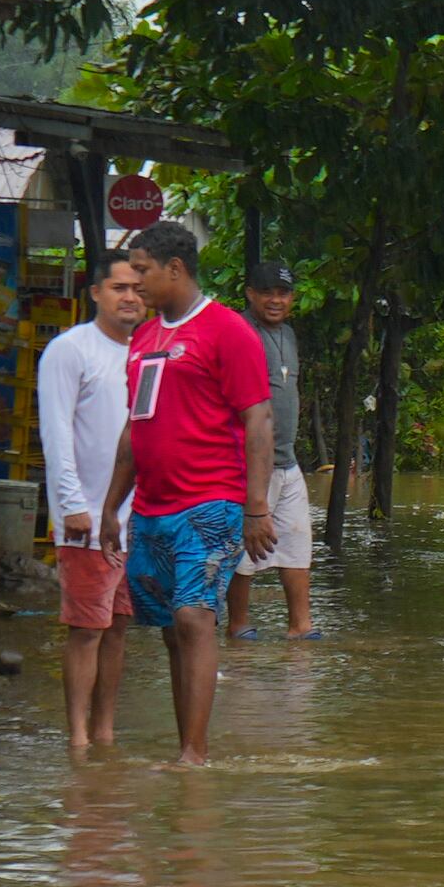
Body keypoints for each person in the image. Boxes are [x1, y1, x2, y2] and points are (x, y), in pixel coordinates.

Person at [87, 221, 279, 767]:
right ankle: (185, 747)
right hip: (151, 506)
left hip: (212, 499)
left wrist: (256, 506)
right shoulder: (146, 337)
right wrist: (110, 507)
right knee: (172, 629)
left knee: (194, 616)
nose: (134, 283)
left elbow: (258, 420)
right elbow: (135, 427)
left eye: (142, 271)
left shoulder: (227, 330)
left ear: (175, 269)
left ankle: (195, 755)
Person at [34, 255, 147, 754]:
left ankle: (105, 731)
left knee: (119, 626)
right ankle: (78, 737)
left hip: (136, 516)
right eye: (119, 287)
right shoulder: (69, 350)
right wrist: (71, 506)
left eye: (138, 289)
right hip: (84, 518)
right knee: (86, 628)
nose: (130, 297)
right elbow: (55, 432)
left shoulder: (148, 351)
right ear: (95, 292)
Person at [225, 264, 317, 640]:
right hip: (248, 462)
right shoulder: (239, 332)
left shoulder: (290, 336)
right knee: (244, 550)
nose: (276, 300)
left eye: (283, 293)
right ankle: (238, 626)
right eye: (267, 292)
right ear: (250, 294)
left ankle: (301, 627)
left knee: (296, 540)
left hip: (288, 460)